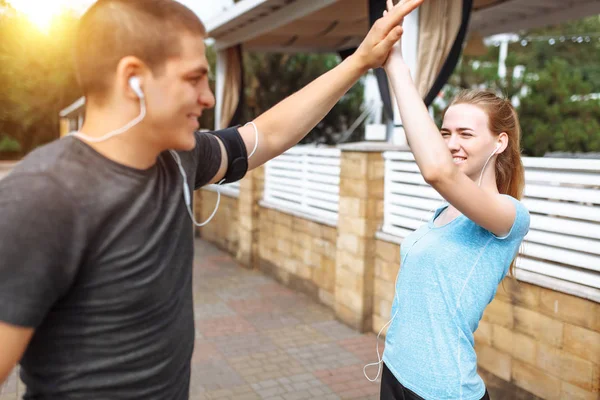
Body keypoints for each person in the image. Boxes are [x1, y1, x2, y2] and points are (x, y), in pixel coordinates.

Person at [0, 0, 424, 398]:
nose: (209, 97)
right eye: (193, 78)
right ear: (133, 78)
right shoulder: (43, 195)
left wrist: (361, 60)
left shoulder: (178, 158)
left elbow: (268, 134)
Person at [372, 1, 530, 399]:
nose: (452, 143)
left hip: (442, 390)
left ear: (499, 142)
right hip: (395, 372)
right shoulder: (444, 211)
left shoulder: (509, 216)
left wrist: (396, 65)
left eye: (465, 133)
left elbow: (437, 170)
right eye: (446, 133)